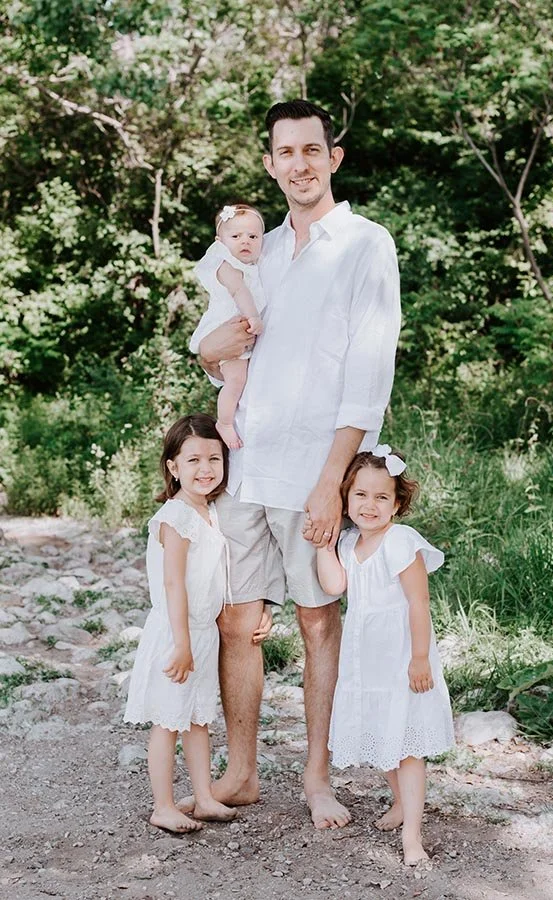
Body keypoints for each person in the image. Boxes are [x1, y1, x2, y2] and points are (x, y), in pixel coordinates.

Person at [187, 99, 401, 830]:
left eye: (312, 150)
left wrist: (332, 483)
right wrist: (206, 352)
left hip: (314, 470)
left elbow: (368, 375)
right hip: (246, 468)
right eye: (286, 152)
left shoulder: (365, 244)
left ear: (332, 158)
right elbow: (226, 350)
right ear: (270, 162)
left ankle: (315, 777)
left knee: (316, 621)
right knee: (236, 620)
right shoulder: (256, 249)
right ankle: (242, 772)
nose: (299, 164)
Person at [124, 413, 268, 833]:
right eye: (193, 461)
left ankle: (204, 797)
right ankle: (163, 805)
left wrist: (263, 608)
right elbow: (173, 583)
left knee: (197, 719)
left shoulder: (209, 513)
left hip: (203, 632)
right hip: (177, 632)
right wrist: (182, 643)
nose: (205, 469)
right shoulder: (176, 517)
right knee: (168, 722)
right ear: (173, 467)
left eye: (214, 459)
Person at [316, 446, 455, 864]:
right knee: (381, 734)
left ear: (396, 504)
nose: (370, 505)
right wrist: (323, 545)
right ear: (346, 499)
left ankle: (412, 836)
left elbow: (418, 602)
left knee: (406, 746)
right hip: (365, 661)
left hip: (400, 658)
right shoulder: (349, 543)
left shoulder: (400, 541)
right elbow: (333, 586)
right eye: (360, 495)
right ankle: (399, 802)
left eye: (381, 497)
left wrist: (419, 658)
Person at [189, 204, 266, 450]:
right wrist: (253, 317)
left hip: (238, 332)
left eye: (253, 236)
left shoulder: (252, 265)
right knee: (236, 379)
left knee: (240, 378)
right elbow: (238, 291)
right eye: (236, 236)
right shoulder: (227, 265)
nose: (245, 241)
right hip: (227, 328)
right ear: (220, 242)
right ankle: (224, 422)